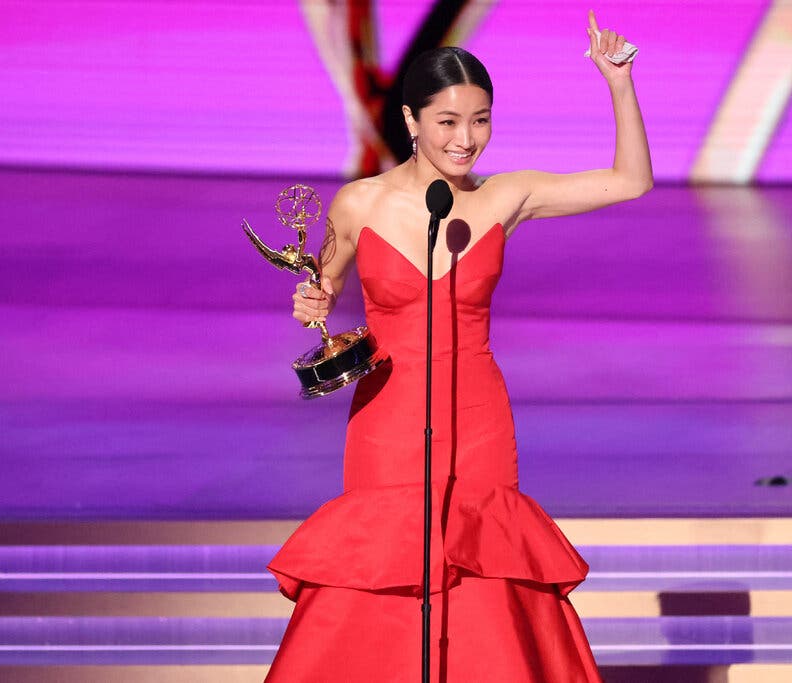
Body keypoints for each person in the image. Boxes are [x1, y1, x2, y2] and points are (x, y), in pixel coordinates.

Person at [266, 10, 652, 681]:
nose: (466, 138)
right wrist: (312, 302)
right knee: (383, 562)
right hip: (389, 412)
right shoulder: (359, 202)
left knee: (483, 567)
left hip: (476, 414)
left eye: (480, 119)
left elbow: (630, 182)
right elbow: (320, 287)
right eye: (448, 121)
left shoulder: (505, 196)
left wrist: (618, 82)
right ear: (412, 123)